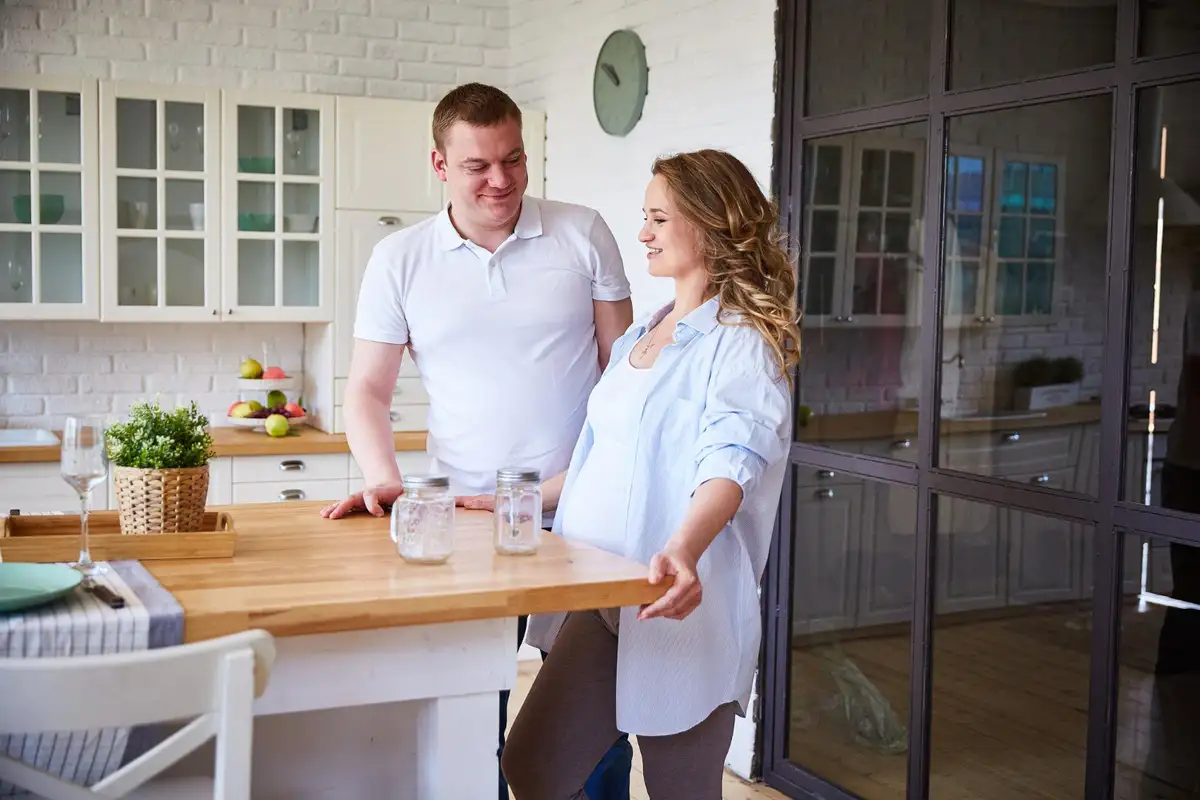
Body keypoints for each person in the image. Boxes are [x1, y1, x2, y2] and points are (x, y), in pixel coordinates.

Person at [319, 83, 635, 800]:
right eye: (478, 165)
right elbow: (366, 389)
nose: (501, 180)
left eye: (514, 159)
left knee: (595, 731)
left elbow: (627, 381)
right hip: (465, 521)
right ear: (439, 163)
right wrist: (383, 477)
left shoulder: (583, 233)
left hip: (584, 518)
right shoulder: (399, 259)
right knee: (471, 713)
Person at [461, 148, 799, 799]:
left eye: (658, 218)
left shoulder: (740, 342)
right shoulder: (645, 331)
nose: (642, 232)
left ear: (709, 221)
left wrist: (684, 547)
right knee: (532, 765)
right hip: (603, 594)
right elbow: (599, 461)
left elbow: (732, 463)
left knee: (681, 792)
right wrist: (514, 499)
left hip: (676, 605)